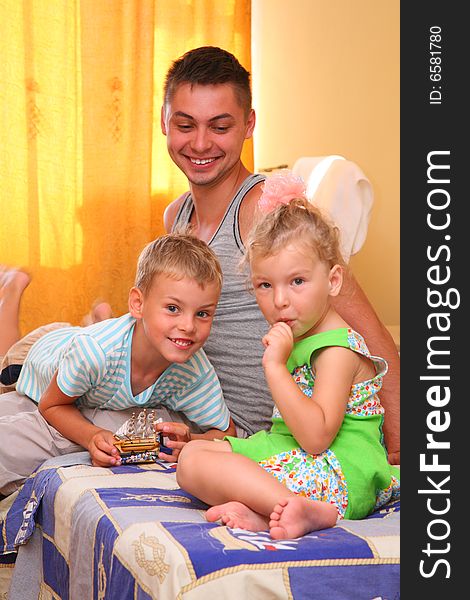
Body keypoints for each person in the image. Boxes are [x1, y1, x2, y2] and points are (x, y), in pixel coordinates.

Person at [161, 46, 400, 464]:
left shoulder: (260, 208)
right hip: (213, 425)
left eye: (220, 127)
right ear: (165, 122)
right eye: (185, 125)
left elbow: (357, 321)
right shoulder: (175, 216)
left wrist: (400, 432)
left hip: (280, 431)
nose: (200, 143)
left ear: (248, 124)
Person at [176, 173, 400, 540]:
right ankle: (269, 513)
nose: (280, 300)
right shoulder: (303, 333)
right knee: (193, 459)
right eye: (265, 285)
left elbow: (316, 438)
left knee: (204, 465)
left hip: (336, 473)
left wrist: (275, 367)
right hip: (297, 456)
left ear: (333, 281)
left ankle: (301, 509)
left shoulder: (336, 348)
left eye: (297, 282)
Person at [0, 233, 235, 497]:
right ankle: (12, 290)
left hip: (104, 360)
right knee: (7, 366)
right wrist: (91, 436)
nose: (189, 326)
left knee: (103, 360)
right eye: (172, 308)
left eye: (202, 313)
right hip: (45, 356)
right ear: (138, 303)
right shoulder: (92, 352)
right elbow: (51, 404)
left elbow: (226, 432)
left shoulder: (194, 370)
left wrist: (191, 441)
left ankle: (102, 319)